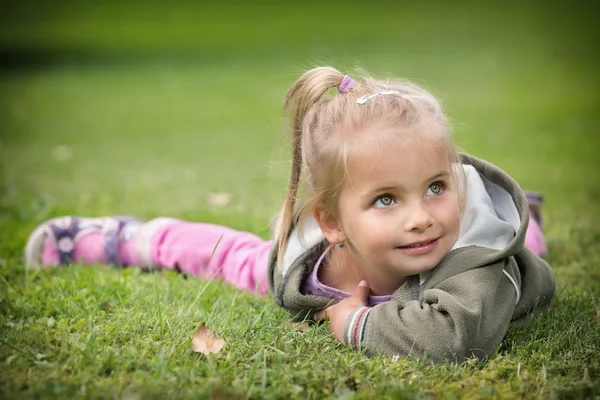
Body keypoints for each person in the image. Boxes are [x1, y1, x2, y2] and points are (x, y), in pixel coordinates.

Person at [24, 66, 555, 362]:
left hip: (493, 255)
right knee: (236, 257)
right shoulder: (311, 255)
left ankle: (524, 218)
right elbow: (224, 256)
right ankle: (120, 238)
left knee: (520, 245)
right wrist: (131, 244)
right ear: (330, 221)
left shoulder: (473, 262)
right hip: (344, 253)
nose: (421, 218)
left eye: (436, 186)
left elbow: (453, 339)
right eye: (386, 199)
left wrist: (355, 323)